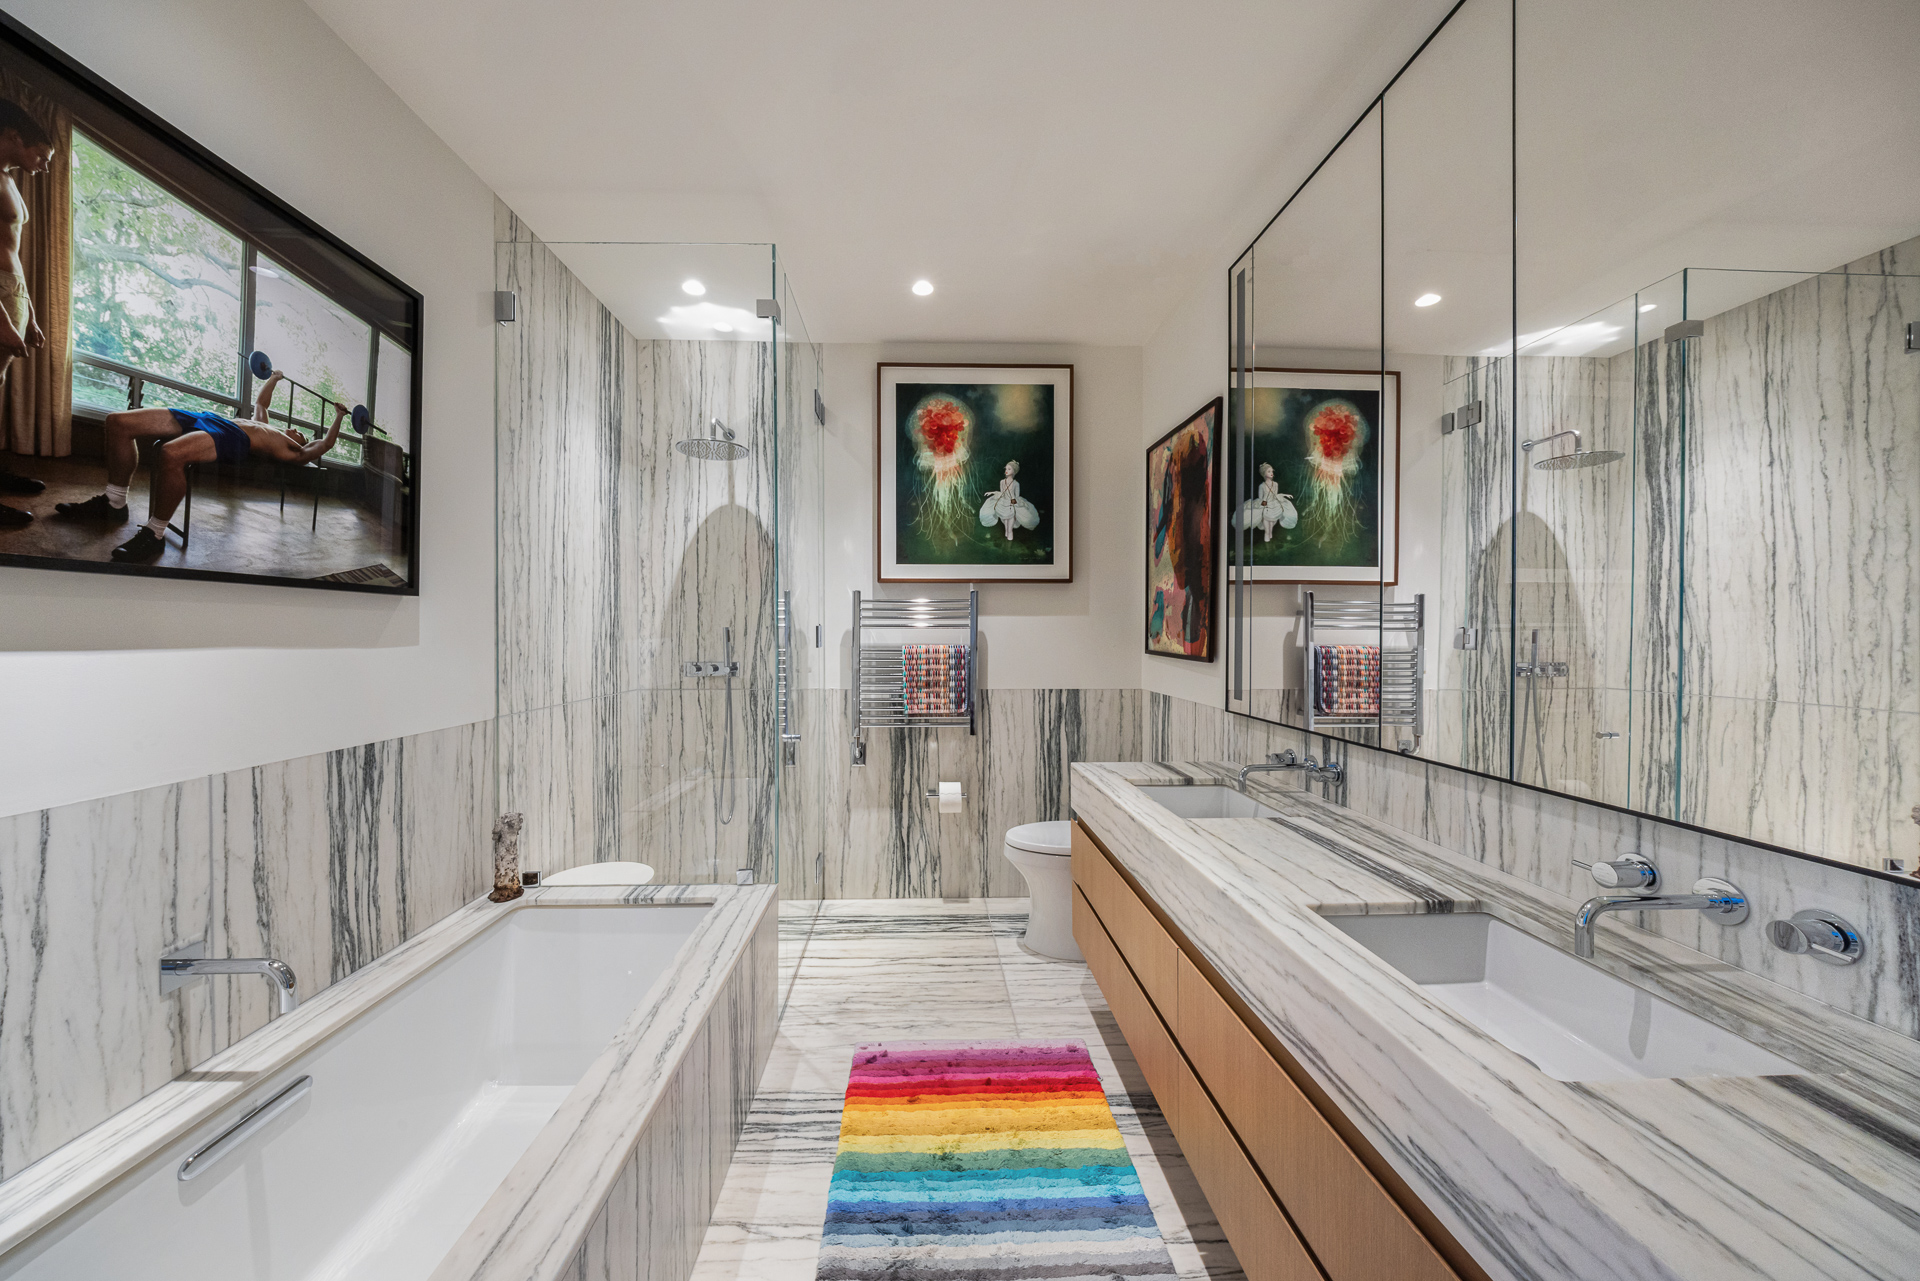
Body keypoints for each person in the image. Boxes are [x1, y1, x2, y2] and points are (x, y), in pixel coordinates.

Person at [55, 369, 347, 563]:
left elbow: (323, 446)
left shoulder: (290, 449)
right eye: (298, 431)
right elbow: (262, 403)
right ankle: (113, 501)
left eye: (302, 434)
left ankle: (154, 533)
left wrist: (338, 417)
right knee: (117, 422)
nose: (297, 431)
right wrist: (275, 377)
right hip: (212, 419)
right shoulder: (267, 426)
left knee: (170, 454)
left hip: (234, 439)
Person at [0, 100, 56, 530]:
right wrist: (1, 318)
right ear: (14, 137)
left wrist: (30, 312)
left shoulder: (8, 179)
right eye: (41, 155)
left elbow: (13, 253)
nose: (43, 165)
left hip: (12, 292)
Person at [977, 459, 1040, 541]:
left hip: (1011, 505)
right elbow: (1002, 493)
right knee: (1006, 529)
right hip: (1003, 505)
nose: (1006, 471)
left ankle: (1009, 545)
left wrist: (1013, 503)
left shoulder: (1016, 484)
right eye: (1006, 469)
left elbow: (1016, 496)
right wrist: (993, 492)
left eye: (1009, 469)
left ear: (1014, 471)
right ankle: (1006, 547)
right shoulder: (1002, 482)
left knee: (1009, 531)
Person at [1235, 460, 1296, 541]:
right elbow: (1261, 498)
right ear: (1264, 474)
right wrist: (1263, 506)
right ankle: (1267, 538)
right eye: (1269, 471)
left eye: (1272, 471)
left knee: (1271, 529)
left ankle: (1269, 539)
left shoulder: (1275, 484)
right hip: (1266, 506)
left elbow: (1275, 495)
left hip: (1274, 507)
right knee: (1267, 531)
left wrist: (1284, 495)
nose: (1271, 473)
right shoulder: (1262, 486)